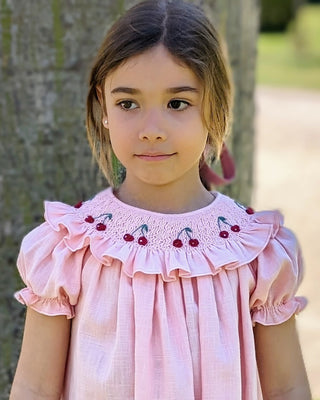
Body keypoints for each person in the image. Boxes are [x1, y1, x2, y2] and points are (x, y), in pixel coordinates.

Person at [10, 1, 311, 399]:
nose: (151, 130)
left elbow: (287, 388)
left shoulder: (256, 253)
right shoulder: (69, 250)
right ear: (103, 108)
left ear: (215, 106)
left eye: (177, 103)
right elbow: (34, 388)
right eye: (128, 103)